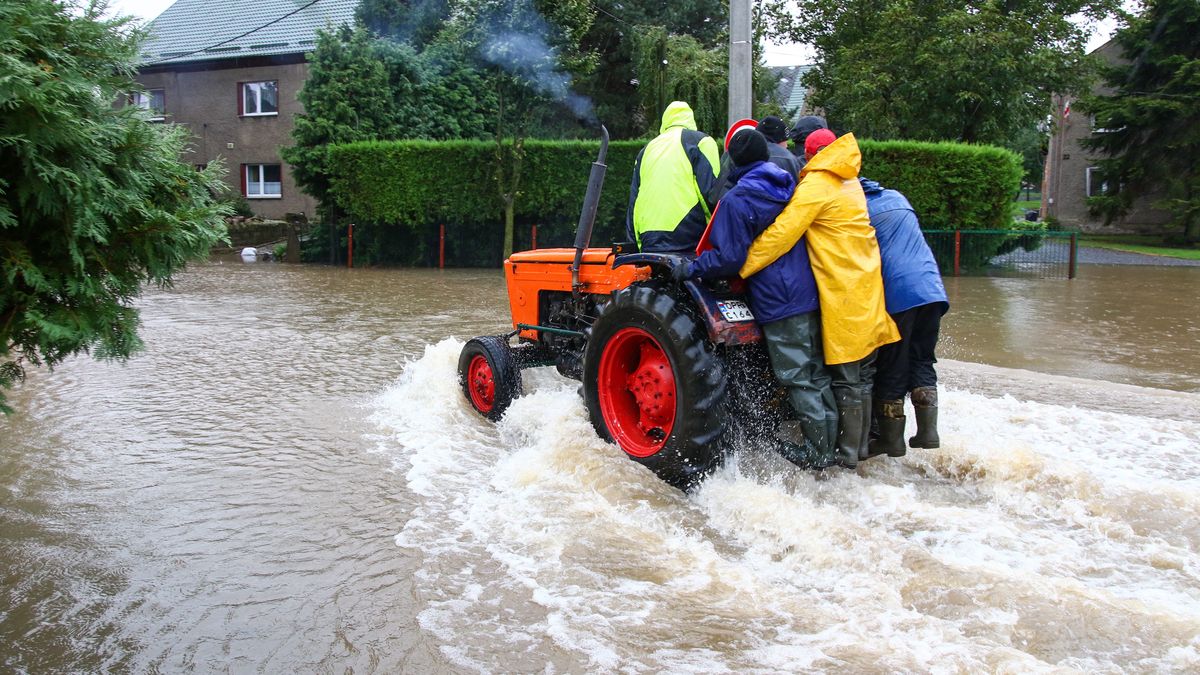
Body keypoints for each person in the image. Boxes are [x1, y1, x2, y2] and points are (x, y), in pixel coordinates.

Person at [674, 129, 838, 468]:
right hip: (808, 291)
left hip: (778, 298)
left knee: (797, 375)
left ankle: (818, 453)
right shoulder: (788, 186)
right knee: (817, 373)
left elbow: (731, 258)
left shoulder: (737, 199)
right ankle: (832, 446)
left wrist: (691, 267)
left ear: (733, 159)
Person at [740, 129, 899, 468]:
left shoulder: (818, 185)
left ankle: (843, 455)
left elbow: (783, 233)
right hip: (869, 287)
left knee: (844, 377)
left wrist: (744, 266)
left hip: (842, 292)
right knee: (863, 376)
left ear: (809, 155)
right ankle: (858, 450)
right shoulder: (850, 181)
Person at [861, 178, 949, 455]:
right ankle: (928, 431)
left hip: (899, 293)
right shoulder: (898, 197)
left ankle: (891, 440)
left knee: (892, 363)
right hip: (932, 288)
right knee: (922, 357)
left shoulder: (858, 208)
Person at [626, 101, 721, 253]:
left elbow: (634, 203)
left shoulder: (645, 151)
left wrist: (634, 246)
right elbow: (712, 194)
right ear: (691, 120)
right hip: (689, 236)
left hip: (648, 238)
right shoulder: (701, 142)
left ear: (665, 122)